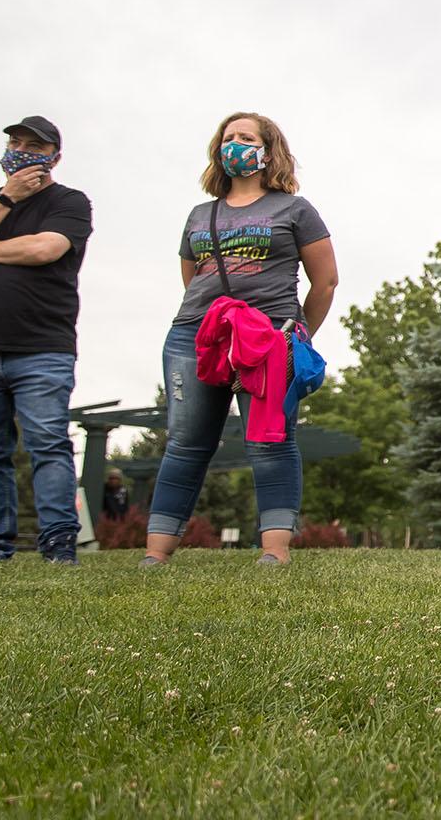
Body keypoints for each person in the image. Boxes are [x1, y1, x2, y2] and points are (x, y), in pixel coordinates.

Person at [143, 113, 337, 567]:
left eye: (246, 138)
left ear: (268, 151)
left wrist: (296, 334)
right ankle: (156, 552)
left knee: (271, 439)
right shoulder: (199, 214)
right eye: (228, 138)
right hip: (195, 334)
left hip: (270, 335)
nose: (235, 144)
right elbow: (193, 278)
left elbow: (325, 281)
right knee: (186, 442)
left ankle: (274, 551)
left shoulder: (295, 209)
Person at [0, 116, 93, 565]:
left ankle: (57, 544)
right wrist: (6, 198)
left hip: (42, 348)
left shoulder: (69, 202)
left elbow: (44, 250)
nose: (21, 149)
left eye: (34, 145)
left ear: (54, 155)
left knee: (47, 445)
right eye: (16, 141)